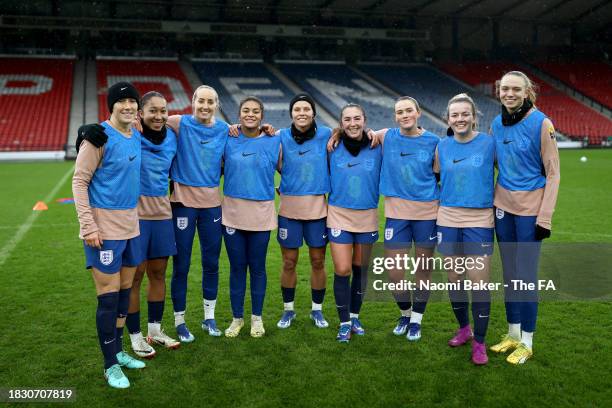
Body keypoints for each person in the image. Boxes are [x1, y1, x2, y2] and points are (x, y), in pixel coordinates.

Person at [72, 82, 146, 389]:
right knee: (108, 298)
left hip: (132, 226)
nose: (128, 106)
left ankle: (118, 351)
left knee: (124, 296)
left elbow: (163, 118)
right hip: (103, 230)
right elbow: (79, 181)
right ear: (111, 106)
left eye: (132, 102)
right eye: (122, 102)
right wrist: (88, 226)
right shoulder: (97, 137)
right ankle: (109, 365)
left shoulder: (136, 133)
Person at [489, 71, 560, 365]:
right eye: (505, 88)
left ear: (527, 92)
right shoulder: (495, 123)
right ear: (498, 91)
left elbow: (554, 173)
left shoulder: (542, 123)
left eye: (516, 89)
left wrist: (545, 217)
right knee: (509, 274)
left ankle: (527, 342)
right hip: (502, 208)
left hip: (530, 212)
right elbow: (491, 163)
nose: (509, 93)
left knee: (525, 278)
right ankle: (513, 334)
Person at [434, 93, 494, 365]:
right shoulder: (442, 147)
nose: (459, 119)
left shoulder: (489, 144)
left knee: (479, 283)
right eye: (454, 115)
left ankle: (480, 343)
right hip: (447, 218)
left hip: (480, 219)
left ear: (474, 117)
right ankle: (464, 329)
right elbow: (436, 177)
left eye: (464, 114)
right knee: (455, 279)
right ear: (448, 118)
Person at [166, 85, 229, 342]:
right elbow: (144, 118)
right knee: (181, 264)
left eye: (210, 102)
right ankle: (180, 321)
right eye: (200, 101)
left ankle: (209, 317)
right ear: (192, 101)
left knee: (211, 263)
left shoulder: (225, 129)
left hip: (212, 204)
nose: (205, 106)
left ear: (216, 105)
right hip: (182, 203)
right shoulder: (177, 123)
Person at [121, 92, 181, 358]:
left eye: (163, 111)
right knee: (135, 277)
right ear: (140, 114)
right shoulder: (129, 134)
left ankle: (154, 331)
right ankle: (134, 337)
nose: (158, 116)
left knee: (158, 274)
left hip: (162, 215)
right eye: (152, 111)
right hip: (135, 217)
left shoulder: (173, 136)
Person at [376, 96, 440, 341]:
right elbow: (356, 132)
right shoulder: (386, 136)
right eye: (399, 112)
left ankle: (416, 321)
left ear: (418, 112)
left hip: (427, 214)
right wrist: (338, 134)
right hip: (396, 215)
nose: (404, 115)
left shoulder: (434, 142)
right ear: (395, 116)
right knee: (394, 273)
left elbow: (440, 174)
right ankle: (405, 313)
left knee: (423, 270)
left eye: (408, 110)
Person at [222, 96, 281, 338]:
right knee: (237, 268)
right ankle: (237, 319)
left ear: (262, 116)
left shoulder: (274, 140)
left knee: (257, 267)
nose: (250, 114)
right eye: (246, 110)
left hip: (261, 213)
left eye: (256, 111)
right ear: (238, 114)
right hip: (233, 212)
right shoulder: (228, 137)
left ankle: (257, 318)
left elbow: (291, 166)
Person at [276, 94, 331, 329]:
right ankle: (288, 311)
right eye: (297, 109)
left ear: (313, 113)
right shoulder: (279, 136)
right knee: (289, 262)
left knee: (318, 261)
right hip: (289, 209)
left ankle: (316, 311)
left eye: (306, 109)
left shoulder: (327, 134)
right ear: (291, 113)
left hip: (318, 210)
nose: (301, 112)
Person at [327, 103, 382, 343]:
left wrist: (375, 134)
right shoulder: (331, 146)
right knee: (342, 269)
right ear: (341, 123)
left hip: (367, 215)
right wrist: (334, 133)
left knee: (360, 269)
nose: (352, 123)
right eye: (347, 119)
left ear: (365, 120)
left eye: (357, 118)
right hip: (339, 213)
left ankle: (354, 316)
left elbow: (401, 131)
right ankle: (343, 323)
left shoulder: (377, 144)